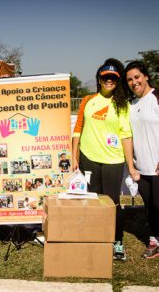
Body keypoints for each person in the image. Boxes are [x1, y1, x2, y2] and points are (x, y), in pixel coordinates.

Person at [72, 58, 139, 261]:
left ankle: (117, 241)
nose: (109, 81)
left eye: (113, 78)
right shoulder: (87, 101)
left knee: (112, 203)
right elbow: (77, 130)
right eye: (105, 77)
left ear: (117, 81)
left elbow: (126, 136)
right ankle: (96, 238)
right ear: (99, 79)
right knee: (93, 201)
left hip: (113, 161)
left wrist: (131, 166)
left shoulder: (122, 105)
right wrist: (75, 157)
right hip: (89, 159)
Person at [124, 61, 159, 259]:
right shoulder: (132, 104)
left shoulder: (156, 97)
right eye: (130, 79)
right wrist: (132, 166)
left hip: (157, 166)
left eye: (137, 77)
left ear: (145, 76)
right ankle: (154, 241)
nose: (134, 82)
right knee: (150, 207)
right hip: (142, 168)